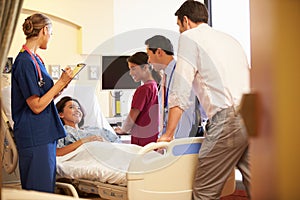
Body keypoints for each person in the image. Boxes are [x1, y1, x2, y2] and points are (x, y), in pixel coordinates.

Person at [159, 1, 251, 199]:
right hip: (254, 114)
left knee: (204, 192)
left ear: (186, 20)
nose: (180, 31)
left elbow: (181, 88)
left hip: (229, 118)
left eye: (179, 26)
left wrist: (168, 134)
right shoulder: (230, 39)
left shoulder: (190, 37)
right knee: (260, 186)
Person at [11, 13, 73, 193]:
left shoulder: (36, 59)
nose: (50, 38)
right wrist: (60, 82)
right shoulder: (24, 61)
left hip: (44, 134)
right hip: (35, 135)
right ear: (45, 30)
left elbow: (41, 98)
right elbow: (36, 106)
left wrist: (58, 90)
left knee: (46, 189)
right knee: (39, 192)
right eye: (51, 33)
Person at [145, 35, 203, 139]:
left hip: (180, 141)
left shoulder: (181, 74)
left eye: (149, 55)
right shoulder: (165, 77)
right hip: (171, 141)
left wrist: (174, 143)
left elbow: (185, 114)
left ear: (159, 52)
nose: (148, 61)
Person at [114, 52, 160, 146]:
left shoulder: (143, 89)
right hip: (153, 138)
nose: (130, 73)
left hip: (142, 140)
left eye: (133, 68)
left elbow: (132, 116)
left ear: (145, 67)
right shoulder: (155, 86)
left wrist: (123, 130)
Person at [55, 96, 121, 156]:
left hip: (114, 154)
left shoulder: (94, 129)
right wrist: (83, 141)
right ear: (61, 114)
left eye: (78, 108)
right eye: (71, 107)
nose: (77, 110)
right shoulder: (61, 132)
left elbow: (118, 144)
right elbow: (57, 152)